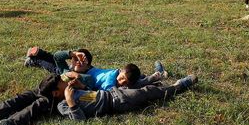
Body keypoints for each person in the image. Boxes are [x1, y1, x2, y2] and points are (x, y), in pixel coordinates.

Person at [56, 65, 198, 121]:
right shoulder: (63, 104)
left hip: (112, 92)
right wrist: (70, 102)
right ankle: (178, 86)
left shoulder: (73, 91)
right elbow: (80, 119)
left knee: (137, 83)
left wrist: (81, 86)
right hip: (115, 101)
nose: (67, 83)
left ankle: (156, 76)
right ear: (56, 93)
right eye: (63, 83)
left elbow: (91, 96)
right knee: (147, 91)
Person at [24, 46, 167, 90]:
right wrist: (72, 53)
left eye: (83, 61)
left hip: (112, 76)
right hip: (68, 74)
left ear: (89, 64)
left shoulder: (90, 71)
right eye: (75, 60)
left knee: (138, 79)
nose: (78, 63)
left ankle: (157, 75)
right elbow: (57, 57)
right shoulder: (67, 71)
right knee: (55, 68)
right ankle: (34, 60)